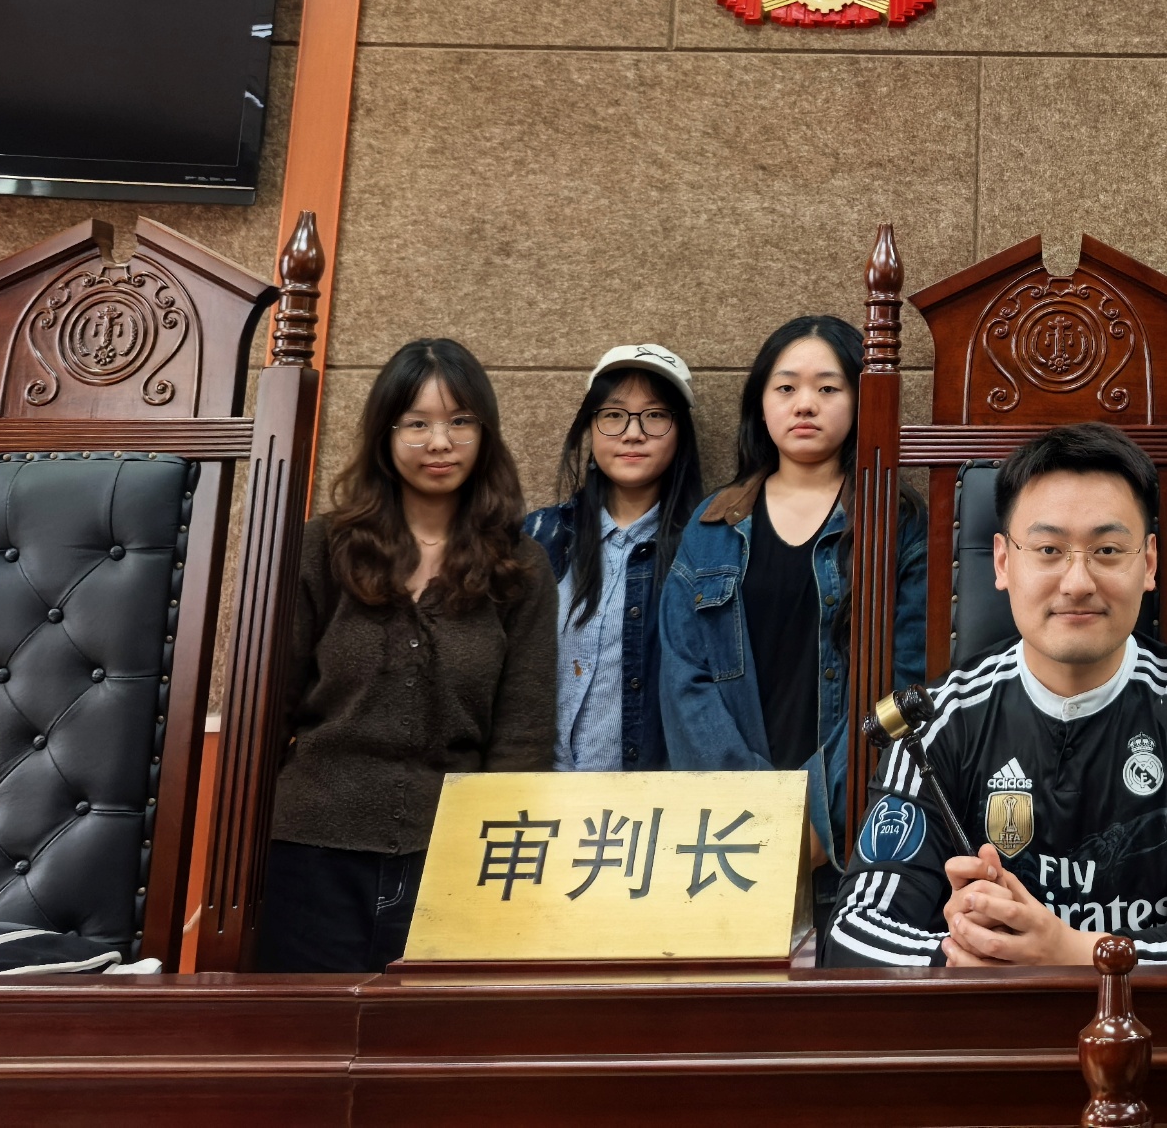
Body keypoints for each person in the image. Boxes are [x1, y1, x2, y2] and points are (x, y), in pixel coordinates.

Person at [828, 423, 1167, 967]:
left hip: (1143, 1019)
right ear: (1002, 562)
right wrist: (970, 956)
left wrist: (1070, 952)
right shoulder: (937, 721)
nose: (1078, 581)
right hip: (991, 1019)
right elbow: (851, 935)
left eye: (1107, 549)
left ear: (1149, 562)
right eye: (1048, 549)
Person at [259, 338, 555, 972]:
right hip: (310, 852)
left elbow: (522, 737)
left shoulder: (521, 566)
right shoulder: (323, 548)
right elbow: (268, 710)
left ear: (485, 433)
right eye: (416, 423)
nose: (440, 442)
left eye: (460, 421)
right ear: (384, 434)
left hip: (451, 860)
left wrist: (490, 862)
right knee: (302, 1027)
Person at [661, 316, 926, 922]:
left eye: (828, 388)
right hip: (728, 835)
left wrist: (813, 819)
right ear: (761, 402)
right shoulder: (713, 524)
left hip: (850, 838)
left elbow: (907, 681)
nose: (805, 404)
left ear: (861, 401)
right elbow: (683, 680)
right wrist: (756, 812)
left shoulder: (900, 524)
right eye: (786, 387)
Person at [526, 343, 704, 772]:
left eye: (655, 415)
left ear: (680, 432)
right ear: (590, 427)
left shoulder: (705, 551)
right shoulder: (540, 536)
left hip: (644, 801)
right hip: (537, 795)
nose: (632, 433)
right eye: (613, 414)